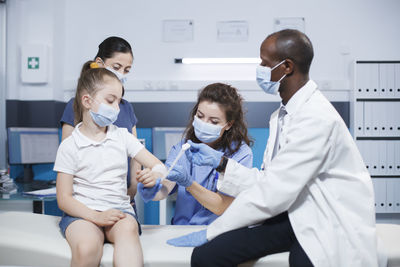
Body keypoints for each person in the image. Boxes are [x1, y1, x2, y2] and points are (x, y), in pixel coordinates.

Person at [168, 29, 380, 267]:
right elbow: (269, 180)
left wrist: (212, 231)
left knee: (303, 261)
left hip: (326, 219)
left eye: (264, 63)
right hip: (293, 214)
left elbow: (274, 192)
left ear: (286, 67)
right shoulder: (282, 115)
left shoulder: (316, 118)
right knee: (206, 256)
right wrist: (221, 163)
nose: (260, 68)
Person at [55, 67, 166, 267]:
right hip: (83, 214)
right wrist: (96, 216)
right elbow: (63, 199)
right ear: (87, 101)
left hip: (119, 211)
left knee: (128, 233)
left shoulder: (122, 136)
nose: (116, 108)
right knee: (86, 247)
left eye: (119, 102)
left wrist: (155, 174)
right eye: (110, 100)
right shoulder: (69, 145)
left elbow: (158, 165)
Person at [136, 83, 253, 225]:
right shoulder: (183, 148)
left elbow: (221, 206)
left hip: (218, 233)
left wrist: (189, 183)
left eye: (214, 121)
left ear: (228, 124)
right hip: (181, 228)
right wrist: (153, 188)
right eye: (200, 115)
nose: (204, 123)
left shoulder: (241, 154)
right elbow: (166, 186)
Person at [60, 36, 140, 197]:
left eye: (127, 70)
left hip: (120, 196)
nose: (121, 74)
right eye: (117, 67)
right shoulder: (75, 105)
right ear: (100, 63)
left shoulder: (126, 107)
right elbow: (67, 157)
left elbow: (136, 156)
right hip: (84, 197)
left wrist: (133, 188)